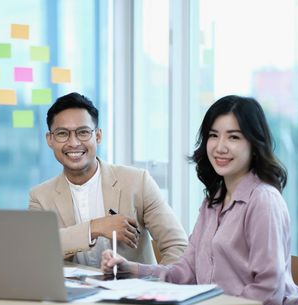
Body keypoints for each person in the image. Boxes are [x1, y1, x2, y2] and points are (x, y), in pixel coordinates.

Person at [102, 95, 298, 305]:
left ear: (254, 144)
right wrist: (129, 268)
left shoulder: (263, 200)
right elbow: (184, 272)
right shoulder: (213, 203)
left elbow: (267, 288)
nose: (220, 147)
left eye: (233, 137)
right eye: (213, 135)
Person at [29, 92, 188, 268]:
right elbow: (37, 248)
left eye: (83, 132)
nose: (73, 143)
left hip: (133, 292)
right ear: (50, 140)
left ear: (98, 136)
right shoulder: (40, 197)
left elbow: (178, 246)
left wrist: (154, 284)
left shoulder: (137, 182)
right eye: (62, 133)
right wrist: (96, 227)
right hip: (70, 294)